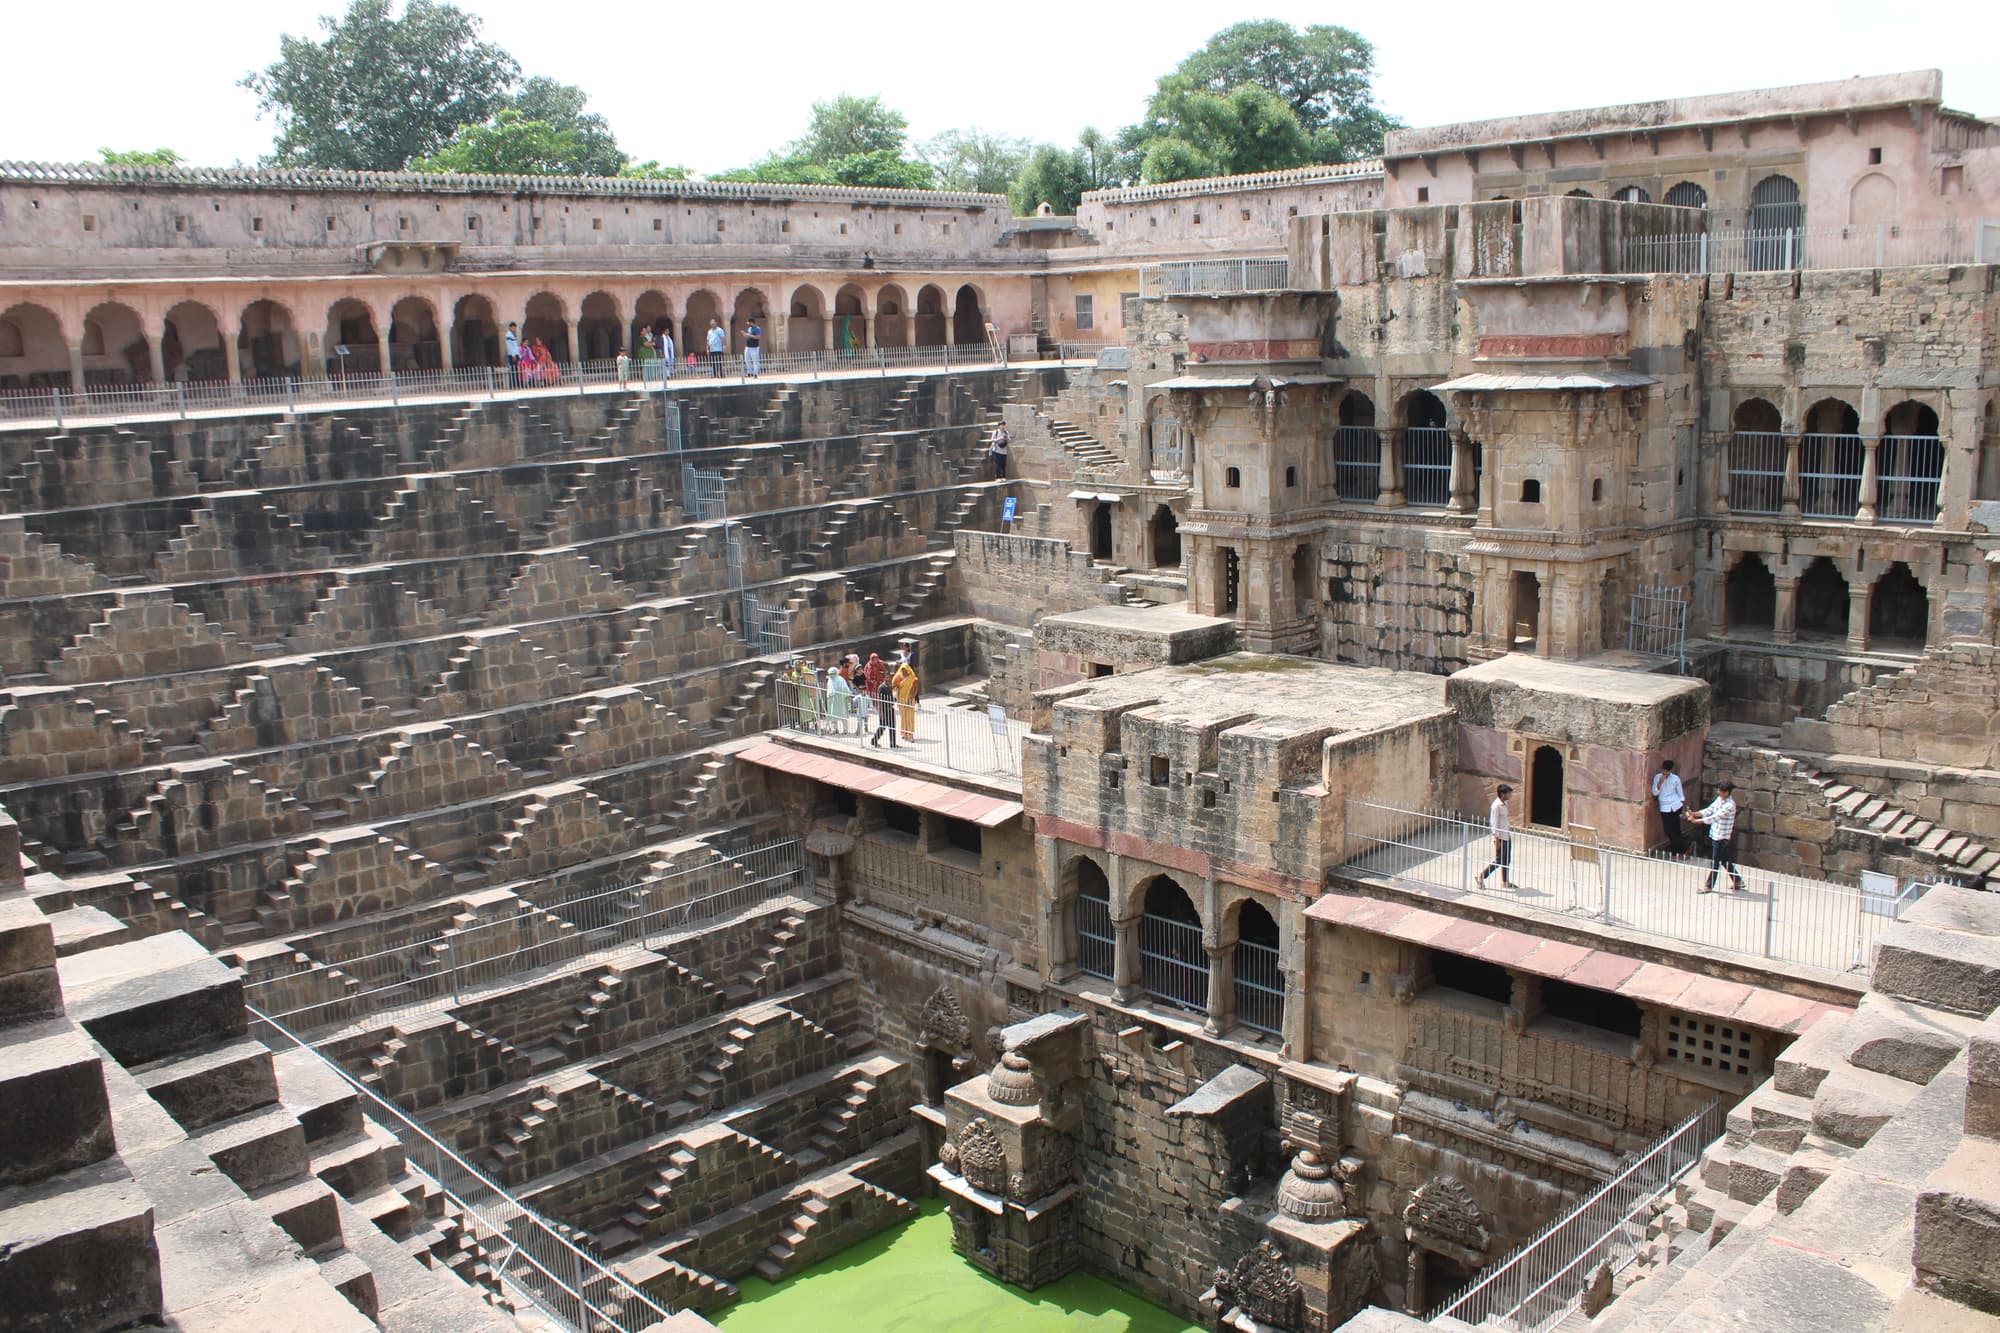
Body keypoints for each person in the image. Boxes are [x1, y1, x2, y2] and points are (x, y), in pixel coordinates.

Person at [1689, 781, 1747, 894]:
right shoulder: (1719, 799)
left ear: (1727, 793)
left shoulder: (1730, 805)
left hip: (1722, 836)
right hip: (1715, 834)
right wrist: (1695, 814)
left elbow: (1716, 817)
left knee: (1715, 862)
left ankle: (1709, 886)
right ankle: (1738, 880)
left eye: (1720, 791)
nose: (1718, 792)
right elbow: (1710, 810)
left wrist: (1697, 821)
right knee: (1724, 860)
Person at [1477, 784, 1517, 890]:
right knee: (1499, 860)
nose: (1510, 795)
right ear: (1502, 794)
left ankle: (1505, 881)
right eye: (1508, 793)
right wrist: (1496, 838)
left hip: (1506, 835)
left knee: (1506, 860)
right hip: (1500, 837)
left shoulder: (1504, 804)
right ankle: (1481, 876)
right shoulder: (1496, 806)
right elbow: (1494, 822)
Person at [1652, 758, 1687, 857]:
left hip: (1676, 805)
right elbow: (1655, 792)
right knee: (1668, 830)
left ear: (1670, 770)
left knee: (1676, 829)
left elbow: (1680, 794)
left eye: (1667, 771)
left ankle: (1675, 852)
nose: (1665, 773)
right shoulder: (1657, 777)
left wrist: (1682, 806)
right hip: (1664, 807)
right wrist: (1659, 783)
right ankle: (1682, 849)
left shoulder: (1675, 778)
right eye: (1664, 770)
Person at [892, 654, 919, 742]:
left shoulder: (913, 678)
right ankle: (904, 733)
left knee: (910, 717)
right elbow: (893, 686)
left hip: (910, 700)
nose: (904, 671)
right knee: (903, 717)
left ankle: (910, 734)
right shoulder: (898, 677)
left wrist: (911, 698)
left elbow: (915, 690)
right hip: (901, 700)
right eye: (902, 670)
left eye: (905, 670)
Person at [825, 658, 854, 733]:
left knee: (843, 715)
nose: (831, 675)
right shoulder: (830, 680)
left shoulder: (840, 679)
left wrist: (849, 696)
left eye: (832, 674)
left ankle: (845, 730)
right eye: (830, 674)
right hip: (832, 701)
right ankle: (834, 729)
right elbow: (828, 689)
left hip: (841, 699)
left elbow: (845, 688)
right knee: (833, 715)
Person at [870, 675, 898, 748]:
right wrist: (881, 713)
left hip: (890, 708)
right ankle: (874, 740)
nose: (888, 679)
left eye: (889, 677)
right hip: (884, 710)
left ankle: (893, 744)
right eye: (887, 677)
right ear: (884, 678)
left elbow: (891, 698)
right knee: (882, 727)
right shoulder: (881, 687)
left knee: (892, 727)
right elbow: (880, 701)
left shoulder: (889, 687)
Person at [504, 322, 521, 387]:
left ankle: (516, 384)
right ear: (510, 327)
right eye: (513, 327)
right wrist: (513, 355)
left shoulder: (512, 334)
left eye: (515, 328)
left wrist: (518, 355)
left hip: (515, 354)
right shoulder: (508, 335)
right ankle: (513, 384)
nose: (514, 329)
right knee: (513, 370)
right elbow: (509, 346)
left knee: (515, 370)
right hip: (512, 355)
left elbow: (515, 346)